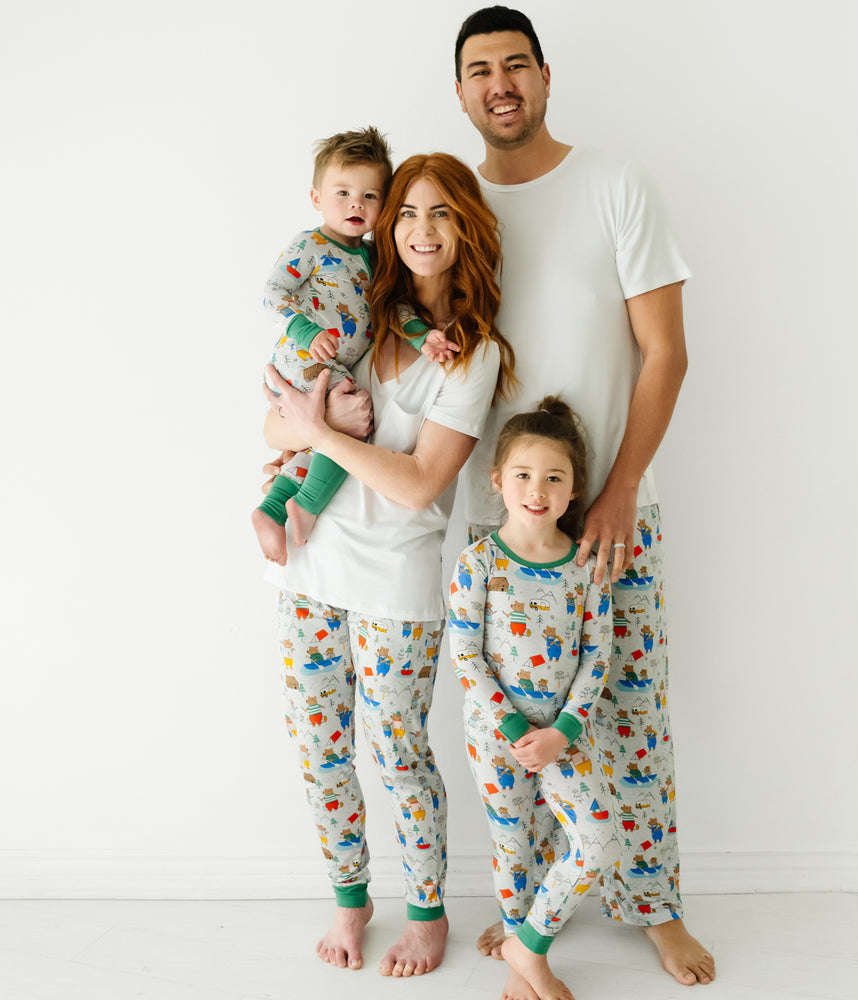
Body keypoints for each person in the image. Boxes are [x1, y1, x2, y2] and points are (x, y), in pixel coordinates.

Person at [452, 6, 716, 987]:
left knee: (631, 715)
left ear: (546, 77)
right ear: (462, 91)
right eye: (480, 70)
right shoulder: (452, 207)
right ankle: (530, 917)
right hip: (499, 529)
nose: (500, 83)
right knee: (507, 735)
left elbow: (666, 352)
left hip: (609, 515)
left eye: (515, 64)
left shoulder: (614, 184)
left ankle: (655, 908)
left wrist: (621, 488)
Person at [261, 152, 516, 978]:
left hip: (394, 588)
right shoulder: (362, 311)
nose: (418, 229)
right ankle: (350, 896)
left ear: (466, 227)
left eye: (439, 213)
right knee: (321, 750)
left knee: (399, 755)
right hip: (307, 568)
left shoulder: (469, 355)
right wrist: (305, 428)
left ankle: (428, 912)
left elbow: (416, 486)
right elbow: (273, 427)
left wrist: (322, 433)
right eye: (405, 212)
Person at [450, 397, 616, 1000]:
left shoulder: (585, 569)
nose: (537, 489)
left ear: (574, 491)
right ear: (498, 481)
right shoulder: (479, 564)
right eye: (523, 475)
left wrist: (561, 733)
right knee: (513, 841)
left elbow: (599, 655)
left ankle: (527, 945)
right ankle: (527, 961)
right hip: (499, 737)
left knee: (597, 836)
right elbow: (467, 656)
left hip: (566, 736)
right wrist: (520, 730)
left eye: (554, 477)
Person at [253, 127, 456, 566]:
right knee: (353, 424)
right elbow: (272, 294)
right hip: (306, 355)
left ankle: (272, 511)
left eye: (370, 196)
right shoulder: (309, 246)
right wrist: (309, 334)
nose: (355, 205)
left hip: (334, 363)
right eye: (342, 192)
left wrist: (423, 338)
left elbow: (392, 308)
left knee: (316, 443)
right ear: (316, 197)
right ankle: (304, 509)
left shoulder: (373, 258)